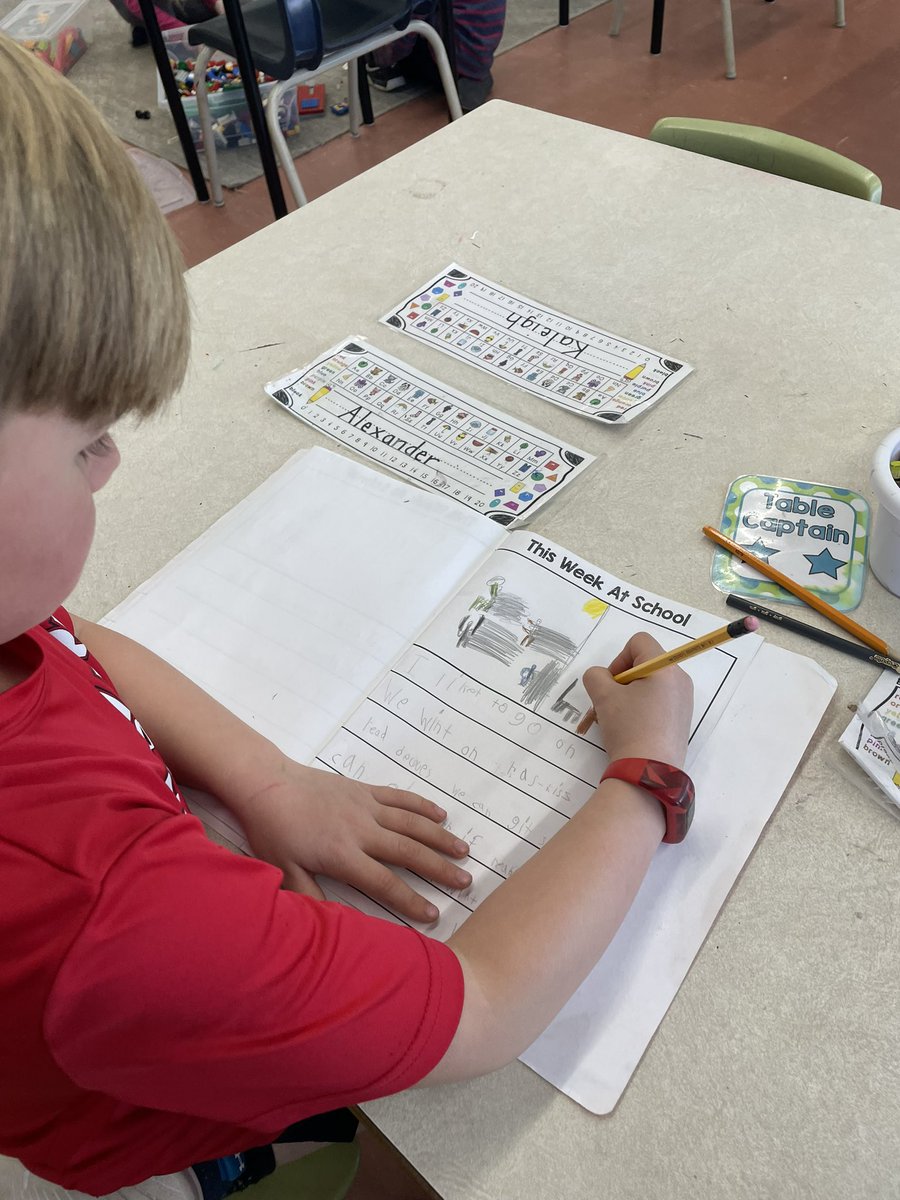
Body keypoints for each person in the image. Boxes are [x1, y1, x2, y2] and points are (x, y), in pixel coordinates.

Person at [0, 33, 693, 1200]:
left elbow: (72, 638)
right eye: (84, 440)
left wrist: (267, 782)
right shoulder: (112, 917)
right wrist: (649, 769)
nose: (112, 465)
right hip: (147, 1146)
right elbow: (483, 1013)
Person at [368, 0, 506, 113]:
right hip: (481, 51)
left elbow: (413, 13)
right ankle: (471, 73)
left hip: (447, 62)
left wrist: (383, 56)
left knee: (396, 15)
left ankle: (392, 72)